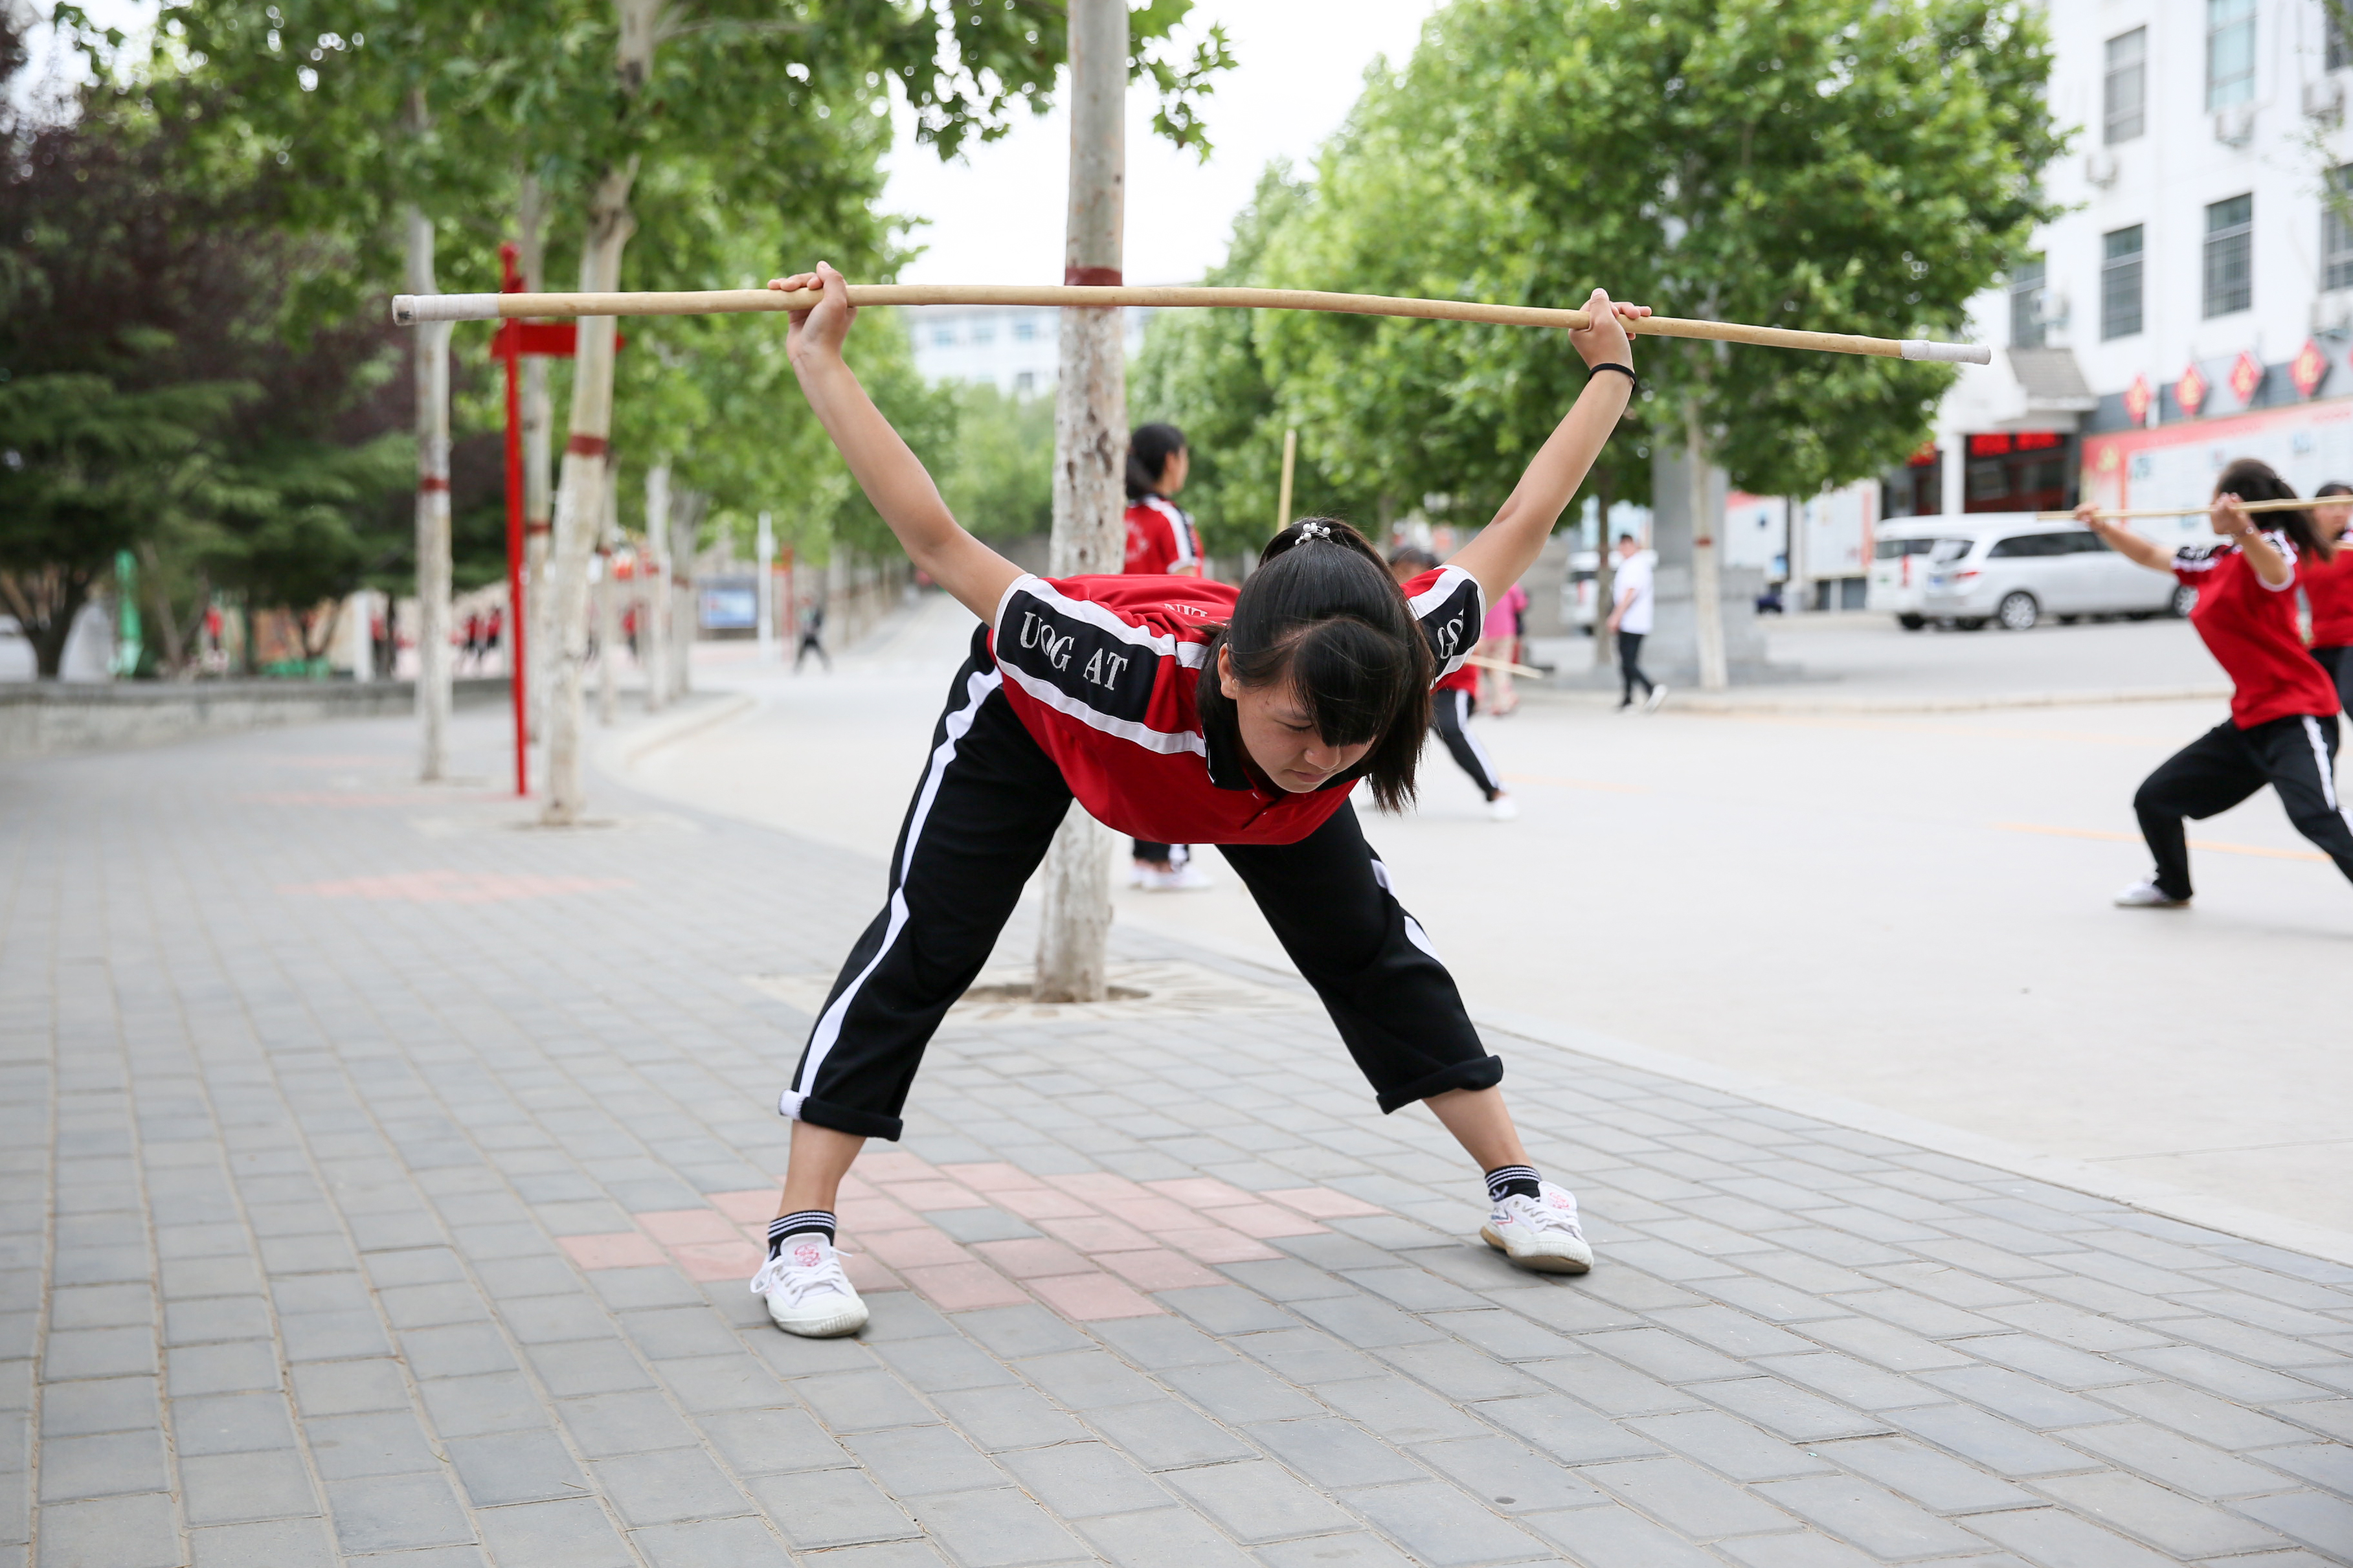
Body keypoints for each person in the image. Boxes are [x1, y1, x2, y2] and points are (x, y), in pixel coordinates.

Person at [749, 260, 1647, 1337]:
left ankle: (1518, 1188)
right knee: (930, 937)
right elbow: (940, 543)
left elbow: (1520, 520)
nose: (1319, 760)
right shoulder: (1106, 663)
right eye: (1298, 732)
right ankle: (797, 1236)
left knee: (1373, 950)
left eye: (1348, 744)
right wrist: (819, 355)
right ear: (1231, 672)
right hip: (1035, 724)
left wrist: (1606, 375)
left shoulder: (1393, 662)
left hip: (1239, 797)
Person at [2078, 460, 2353, 909]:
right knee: (2155, 799)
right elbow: (2152, 555)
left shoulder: (2274, 548)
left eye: (2215, 498)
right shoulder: (2216, 558)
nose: (2209, 508)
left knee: (2313, 816)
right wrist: (2104, 527)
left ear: (2238, 505)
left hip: (2297, 714)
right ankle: (2172, 884)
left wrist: (2245, 531)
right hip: (2250, 721)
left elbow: (2278, 575)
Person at [1124, 423, 1213, 889]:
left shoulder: (1123, 517)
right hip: (1169, 649)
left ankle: (1144, 858)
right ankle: (1171, 861)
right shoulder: (1168, 518)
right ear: (1173, 460)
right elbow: (1188, 585)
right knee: (1178, 754)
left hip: (1124, 645)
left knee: (1139, 752)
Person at [1390, 545, 1514, 820]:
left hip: (1450, 684)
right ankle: (1387, 791)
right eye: (1397, 573)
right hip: (1413, 685)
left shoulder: (1445, 591)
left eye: (1407, 573)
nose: (1401, 580)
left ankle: (1496, 790)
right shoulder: (1392, 600)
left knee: (1450, 727)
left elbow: (1473, 634)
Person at [2307, 481, 2353, 716]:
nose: (2340, 512)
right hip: (2320, 640)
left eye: (2346, 506)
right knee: (2312, 704)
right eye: (2332, 505)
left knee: (2351, 700)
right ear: (2314, 510)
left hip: (2351, 639)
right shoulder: (2302, 549)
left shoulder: (2351, 545)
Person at [1606, 533, 1666, 711]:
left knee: (1628, 662)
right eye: (1621, 546)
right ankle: (1628, 699)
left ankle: (1651, 688)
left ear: (1635, 546)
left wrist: (1616, 615)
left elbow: (1630, 593)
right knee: (1626, 661)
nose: (1623, 549)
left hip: (1633, 621)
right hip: (1631, 621)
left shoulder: (1635, 565)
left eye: (1626, 545)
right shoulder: (1632, 565)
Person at [1477, 579, 1529, 717]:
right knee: (1500, 668)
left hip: (1483, 632)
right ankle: (1503, 701)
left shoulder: (1480, 582)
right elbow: (1521, 604)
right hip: (1505, 631)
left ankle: (1479, 699)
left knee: (1478, 667)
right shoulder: (1511, 583)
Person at [794, 597, 831, 672]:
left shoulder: (815, 611)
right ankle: (798, 667)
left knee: (819, 651)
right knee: (801, 652)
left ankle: (826, 664)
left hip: (813, 635)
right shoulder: (803, 612)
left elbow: (819, 621)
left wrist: (816, 628)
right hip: (806, 636)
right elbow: (800, 623)